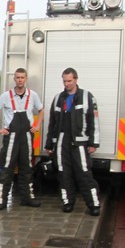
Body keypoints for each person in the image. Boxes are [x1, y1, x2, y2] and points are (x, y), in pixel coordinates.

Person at [44, 67, 102, 215]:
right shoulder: (58, 98)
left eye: (69, 81)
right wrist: (49, 144)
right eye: (64, 81)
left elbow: (93, 121)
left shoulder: (87, 97)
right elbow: (52, 123)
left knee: (84, 174)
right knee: (63, 173)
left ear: (76, 79)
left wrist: (93, 143)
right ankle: (67, 202)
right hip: (61, 143)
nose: (67, 84)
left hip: (80, 143)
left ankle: (93, 205)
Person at [0, 68, 44, 210]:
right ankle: (1, 200)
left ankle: (27, 198)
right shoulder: (6, 96)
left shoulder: (33, 95)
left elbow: (41, 110)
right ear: (14, 79)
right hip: (11, 137)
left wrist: (37, 125)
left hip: (26, 136)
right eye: (18, 77)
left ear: (26, 79)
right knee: (7, 168)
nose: (20, 80)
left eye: (22, 77)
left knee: (27, 168)